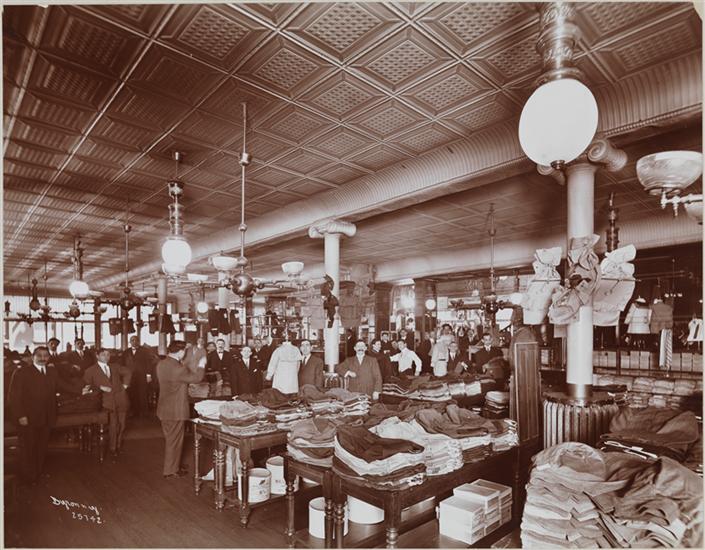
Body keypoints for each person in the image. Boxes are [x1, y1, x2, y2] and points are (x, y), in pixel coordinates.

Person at [8, 346, 57, 484]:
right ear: (32, 357)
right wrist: (20, 415)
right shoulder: (22, 372)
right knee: (28, 448)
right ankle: (28, 478)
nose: (43, 358)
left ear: (49, 358)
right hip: (28, 418)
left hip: (46, 417)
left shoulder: (52, 372)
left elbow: (63, 385)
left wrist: (81, 390)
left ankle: (36, 474)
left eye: (45, 356)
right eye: (39, 355)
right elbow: (14, 397)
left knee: (41, 447)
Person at [156, 340, 205, 479]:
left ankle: (174, 465)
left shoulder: (162, 364)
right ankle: (170, 470)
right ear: (181, 352)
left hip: (164, 408)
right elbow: (197, 378)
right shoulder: (178, 369)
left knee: (171, 439)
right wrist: (202, 363)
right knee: (174, 440)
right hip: (175, 410)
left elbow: (181, 368)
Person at [83, 348, 131, 460]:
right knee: (113, 425)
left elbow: (128, 372)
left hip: (121, 399)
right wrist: (100, 387)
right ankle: (113, 448)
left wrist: (125, 385)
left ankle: (118, 445)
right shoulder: (90, 370)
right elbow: (86, 386)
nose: (106, 357)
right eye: (103, 355)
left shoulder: (115, 366)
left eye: (108, 355)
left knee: (122, 425)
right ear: (97, 356)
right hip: (106, 402)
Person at [123, 336, 154, 417]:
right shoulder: (126, 352)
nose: (134, 342)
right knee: (132, 393)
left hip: (142, 375)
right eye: (132, 340)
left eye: (135, 340)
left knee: (143, 393)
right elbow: (123, 364)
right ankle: (134, 411)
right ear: (130, 342)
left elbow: (149, 363)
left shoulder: (145, 351)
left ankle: (144, 412)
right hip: (130, 376)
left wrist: (148, 375)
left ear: (138, 341)